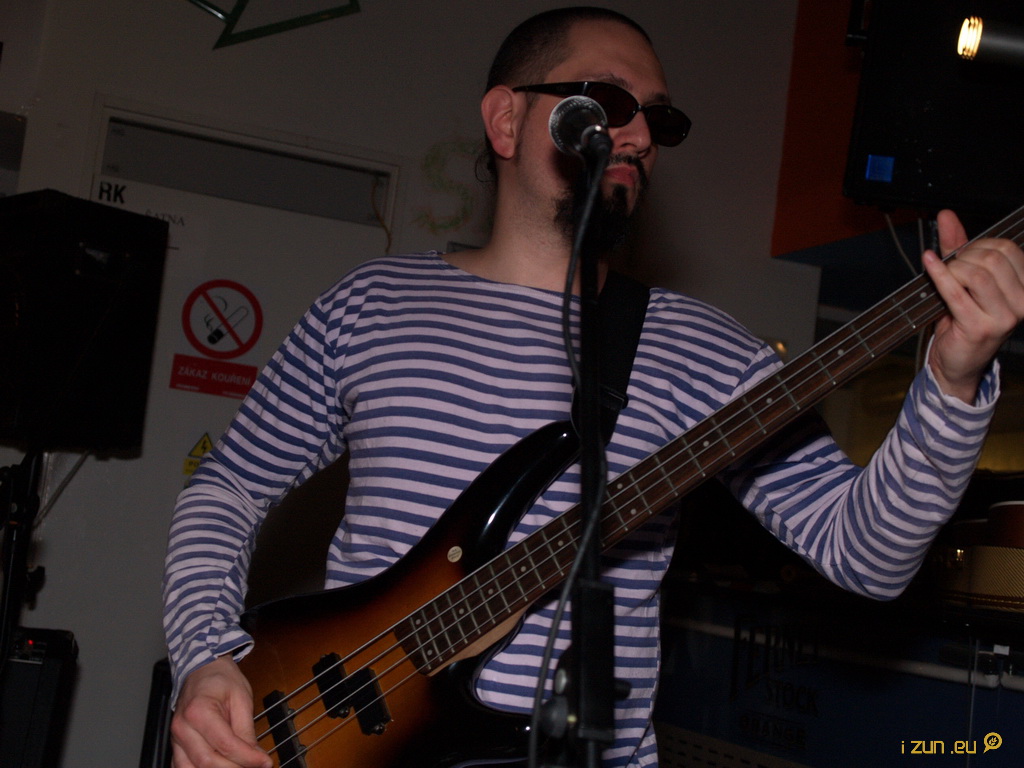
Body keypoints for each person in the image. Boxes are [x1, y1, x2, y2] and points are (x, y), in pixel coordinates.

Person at [161, 7, 1024, 768]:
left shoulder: (704, 352)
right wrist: (206, 654)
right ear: (507, 120)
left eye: (661, 119)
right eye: (608, 101)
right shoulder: (370, 304)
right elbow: (229, 487)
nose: (640, 135)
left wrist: (951, 383)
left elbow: (867, 558)